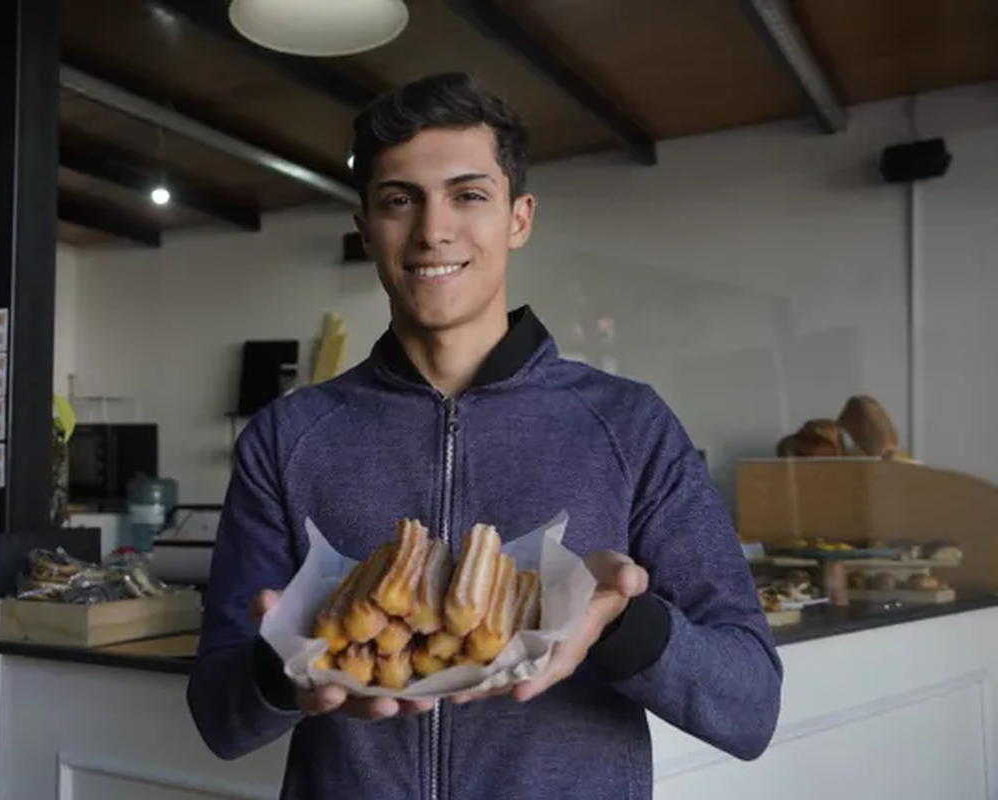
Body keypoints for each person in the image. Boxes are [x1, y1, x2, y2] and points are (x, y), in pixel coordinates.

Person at [188, 71, 783, 800]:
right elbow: (219, 717)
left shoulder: (629, 424)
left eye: (469, 195)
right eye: (400, 200)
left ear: (518, 218)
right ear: (365, 228)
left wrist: (622, 625)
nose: (433, 229)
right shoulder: (288, 436)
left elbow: (751, 704)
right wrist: (278, 672)